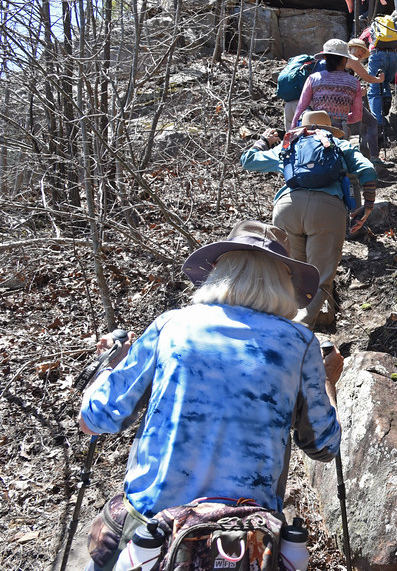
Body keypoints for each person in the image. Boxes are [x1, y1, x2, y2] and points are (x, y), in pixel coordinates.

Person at [78, 220, 342, 569]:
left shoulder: (171, 326)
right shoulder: (299, 343)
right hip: (242, 545)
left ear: (217, 271)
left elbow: (93, 420)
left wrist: (110, 366)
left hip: (150, 539)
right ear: (285, 282)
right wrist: (327, 381)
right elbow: (324, 445)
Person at [241, 110, 378, 328]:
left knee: (294, 273)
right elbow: (367, 169)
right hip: (327, 210)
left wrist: (264, 140)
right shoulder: (338, 144)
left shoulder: (288, 145)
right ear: (329, 127)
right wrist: (368, 207)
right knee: (320, 275)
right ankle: (302, 330)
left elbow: (248, 160)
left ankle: (291, 324)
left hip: (287, 208)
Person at [292, 39, 383, 136]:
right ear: (345, 59)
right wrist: (341, 118)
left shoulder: (313, 79)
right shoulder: (354, 82)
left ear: (325, 58)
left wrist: (292, 132)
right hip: (340, 132)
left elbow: (300, 109)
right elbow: (357, 116)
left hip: (316, 131)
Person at [361, 15, 397, 163]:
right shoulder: (393, 29)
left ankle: (377, 121)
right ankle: (387, 98)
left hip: (377, 55)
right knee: (384, 81)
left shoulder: (370, 30)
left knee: (373, 89)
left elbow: (361, 43)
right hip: (395, 57)